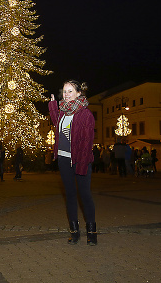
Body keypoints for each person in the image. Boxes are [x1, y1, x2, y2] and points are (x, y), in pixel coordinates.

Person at [49, 79, 97, 246]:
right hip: (63, 159)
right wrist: (53, 106)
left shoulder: (85, 114)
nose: (66, 94)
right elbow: (57, 125)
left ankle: (92, 232)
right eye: (64, 91)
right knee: (70, 196)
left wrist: (82, 164)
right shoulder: (62, 112)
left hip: (80, 160)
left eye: (70, 91)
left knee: (84, 195)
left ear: (78, 93)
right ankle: (74, 232)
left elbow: (87, 141)